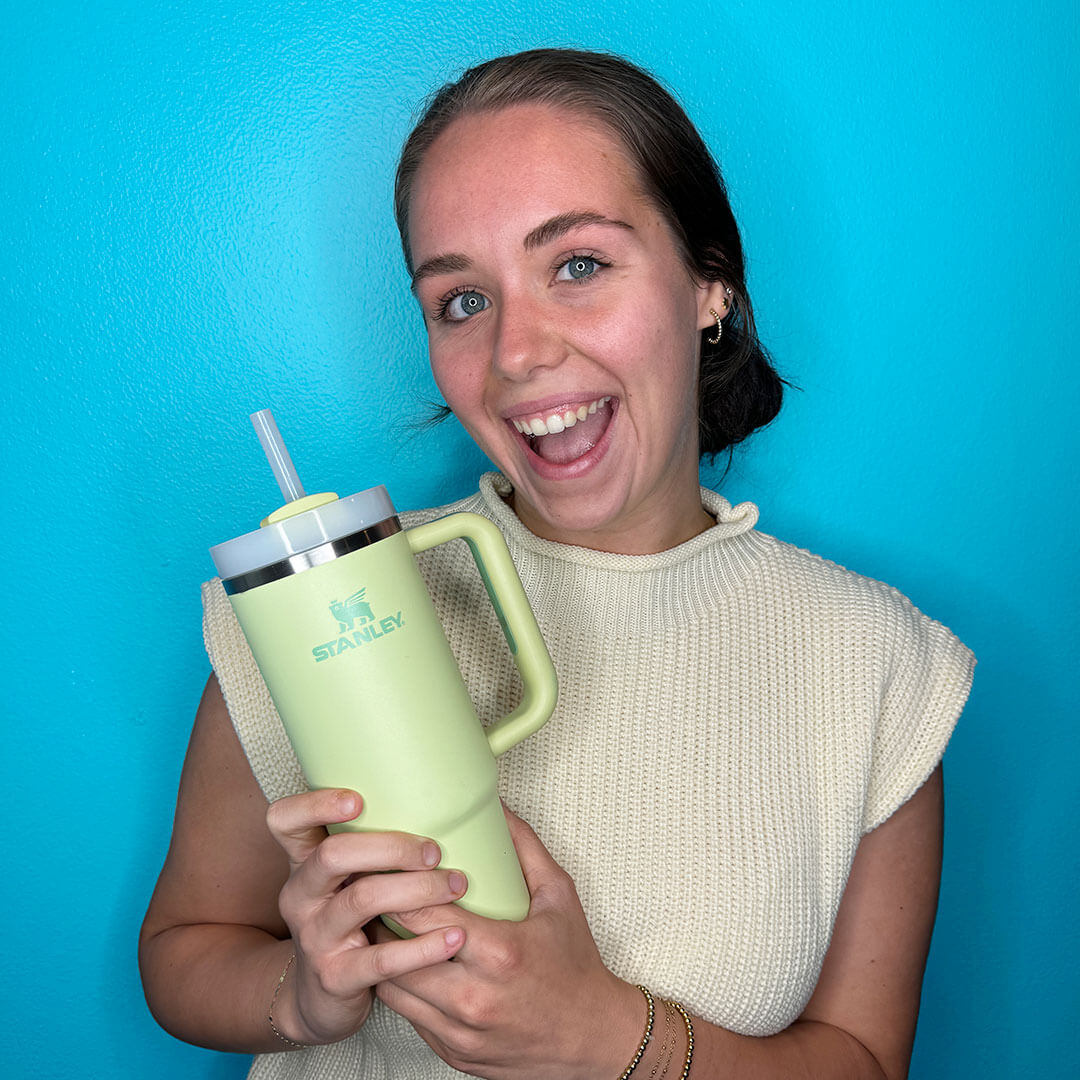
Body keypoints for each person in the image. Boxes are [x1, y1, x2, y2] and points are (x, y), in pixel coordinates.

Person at [140, 48, 974, 1080]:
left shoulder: (877, 662)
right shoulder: (322, 608)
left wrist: (605, 1036)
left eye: (578, 265)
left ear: (709, 283)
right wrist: (304, 996)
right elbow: (184, 950)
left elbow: (862, 1062)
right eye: (461, 300)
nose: (516, 352)